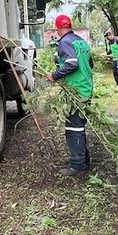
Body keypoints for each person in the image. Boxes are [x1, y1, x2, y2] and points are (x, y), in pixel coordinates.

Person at [46, 14, 94, 176]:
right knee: (78, 126)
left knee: (74, 128)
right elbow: (88, 63)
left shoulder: (65, 42)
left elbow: (72, 63)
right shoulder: (80, 41)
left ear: (59, 28)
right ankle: (84, 159)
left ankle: (77, 165)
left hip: (76, 91)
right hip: (86, 88)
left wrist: (55, 75)